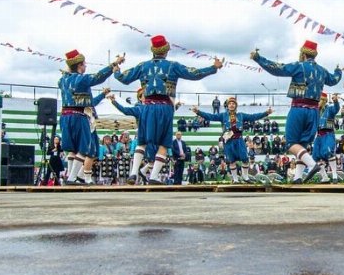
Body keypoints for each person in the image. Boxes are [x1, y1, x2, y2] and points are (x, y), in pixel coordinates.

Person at [113, 35, 222, 185]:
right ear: (166, 51)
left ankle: (133, 174)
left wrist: (116, 69)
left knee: (142, 141)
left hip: (147, 107)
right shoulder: (173, 66)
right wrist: (214, 67)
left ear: (153, 50)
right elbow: (194, 74)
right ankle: (153, 177)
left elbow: (123, 79)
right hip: (165, 107)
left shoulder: (142, 66)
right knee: (164, 144)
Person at [250, 40, 341, 184]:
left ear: (303, 53)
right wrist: (338, 70)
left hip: (299, 108)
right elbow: (334, 80)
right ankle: (298, 177)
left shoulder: (299, 66)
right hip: (315, 111)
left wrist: (258, 58)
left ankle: (312, 165)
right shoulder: (322, 71)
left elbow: (277, 68)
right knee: (302, 145)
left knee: (291, 142)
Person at [58, 49, 123, 185]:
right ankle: (72, 178)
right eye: (84, 64)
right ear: (79, 65)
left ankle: (72, 176)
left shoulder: (61, 80)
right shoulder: (82, 79)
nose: (86, 66)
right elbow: (98, 77)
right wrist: (114, 65)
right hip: (79, 115)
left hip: (65, 116)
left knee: (72, 149)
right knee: (84, 148)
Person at [192, 97, 272, 183]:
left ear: (236, 106)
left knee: (245, 159)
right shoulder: (223, 115)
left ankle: (245, 177)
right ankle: (235, 179)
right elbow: (211, 116)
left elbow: (253, 116)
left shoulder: (241, 115)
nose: (231, 105)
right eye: (230, 103)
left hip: (239, 140)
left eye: (233, 104)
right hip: (229, 141)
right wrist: (198, 112)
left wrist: (266, 113)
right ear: (227, 105)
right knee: (231, 161)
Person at [312, 92, 341, 183]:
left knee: (329, 152)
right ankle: (325, 177)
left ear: (324, 100)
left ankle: (335, 176)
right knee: (316, 156)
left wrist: (336, 101)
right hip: (319, 135)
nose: (317, 102)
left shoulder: (329, 109)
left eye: (319, 100)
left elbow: (336, 109)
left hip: (328, 133)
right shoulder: (315, 111)